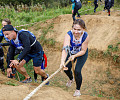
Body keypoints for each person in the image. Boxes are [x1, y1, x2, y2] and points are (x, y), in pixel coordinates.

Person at [60, 19, 89, 96]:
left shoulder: (85, 36)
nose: (76, 32)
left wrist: (75, 56)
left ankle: (77, 90)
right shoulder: (69, 35)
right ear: (72, 28)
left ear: (83, 29)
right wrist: (62, 61)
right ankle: (71, 79)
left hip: (81, 54)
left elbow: (83, 50)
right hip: (71, 52)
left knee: (77, 71)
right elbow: (65, 48)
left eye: (79, 30)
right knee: (66, 68)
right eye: (74, 29)